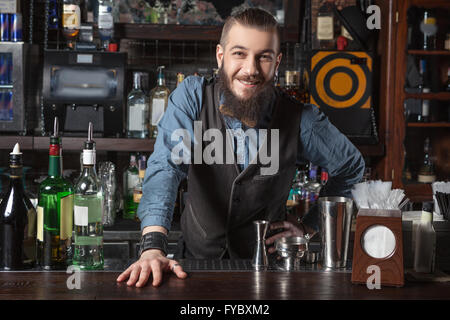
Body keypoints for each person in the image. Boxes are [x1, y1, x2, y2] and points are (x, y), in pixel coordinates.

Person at [117, 7, 365, 287]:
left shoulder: (300, 118)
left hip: (268, 273)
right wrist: (152, 245)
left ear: (277, 62)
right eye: (239, 53)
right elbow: (166, 167)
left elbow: (351, 167)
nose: (251, 69)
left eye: (264, 57)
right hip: (195, 267)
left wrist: (309, 227)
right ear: (220, 56)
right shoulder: (193, 98)